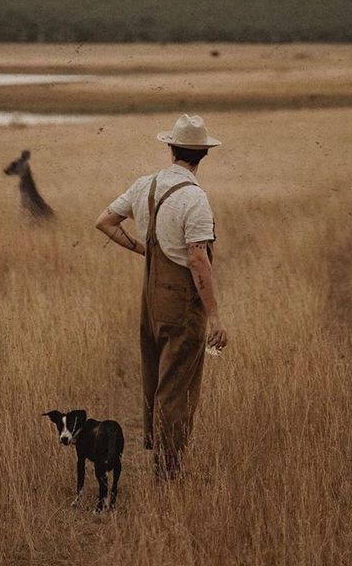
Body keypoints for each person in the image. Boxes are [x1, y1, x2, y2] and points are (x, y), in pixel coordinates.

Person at [95, 114, 227, 478]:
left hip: (150, 301)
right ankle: (168, 471)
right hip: (182, 306)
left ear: (171, 148)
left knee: (155, 380)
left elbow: (104, 222)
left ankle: (160, 457)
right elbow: (198, 260)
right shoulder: (195, 199)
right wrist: (214, 316)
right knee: (177, 388)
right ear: (203, 154)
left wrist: (143, 251)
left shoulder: (144, 185)